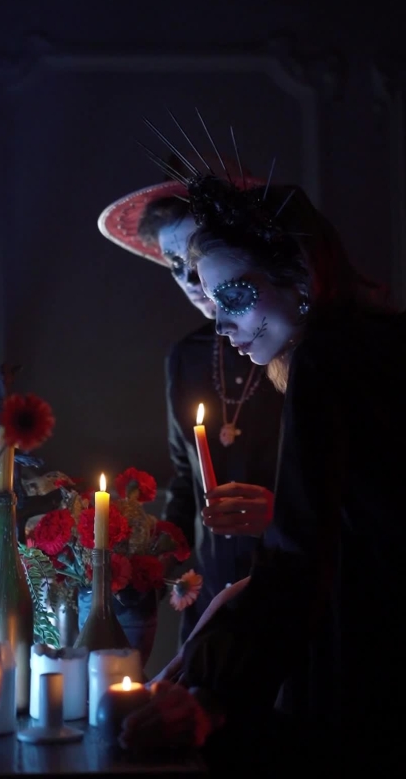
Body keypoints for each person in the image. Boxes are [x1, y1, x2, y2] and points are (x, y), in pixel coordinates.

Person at [116, 169, 406, 775]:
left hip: (376, 661)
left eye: (234, 297)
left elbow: (304, 556)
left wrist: (213, 694)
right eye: (211, 300)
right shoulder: (388, 342)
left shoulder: (326, 357)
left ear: (300, 274)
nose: (221, 325)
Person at [97, 172, 283, 641]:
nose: (187, 277)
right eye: (174, 263)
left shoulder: (291, 346)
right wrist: (149, 567)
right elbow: (186, 480)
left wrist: (281, 514)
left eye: (196, 257)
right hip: (210, 596)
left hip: (292, 584)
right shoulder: (187, 357)